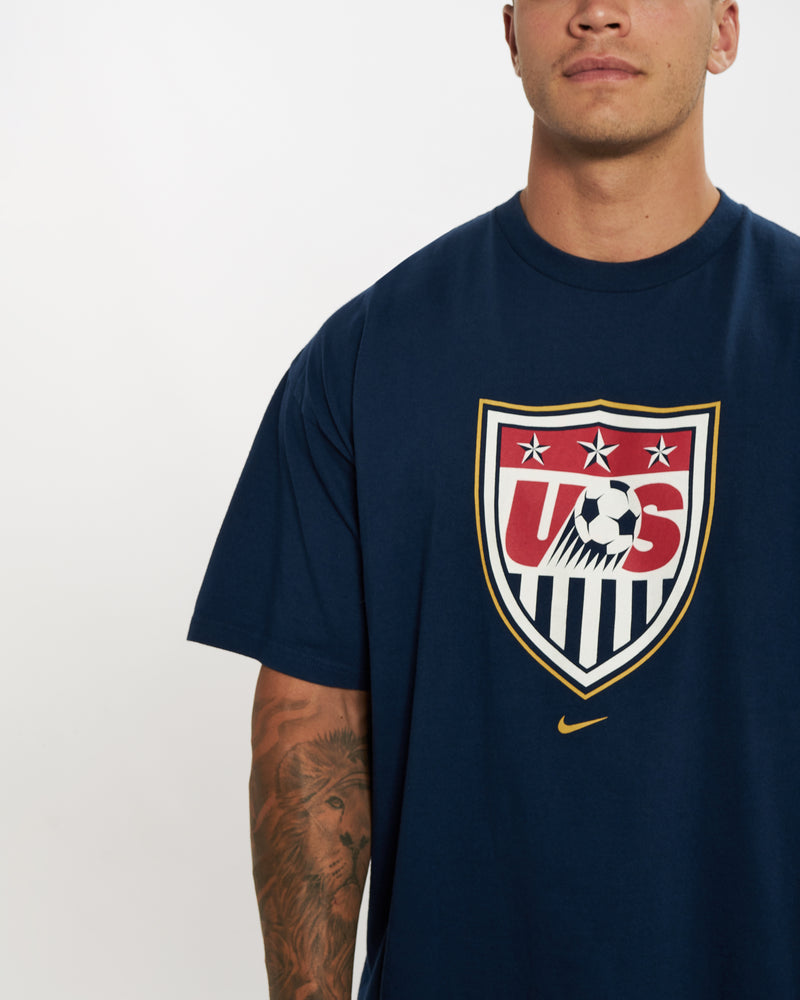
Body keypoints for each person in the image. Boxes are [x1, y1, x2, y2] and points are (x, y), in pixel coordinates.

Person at [189, 1, 800, 997]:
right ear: (511, 32)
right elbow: (310, 734)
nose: (597, 12)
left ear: (724, 31)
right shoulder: (369, 358)